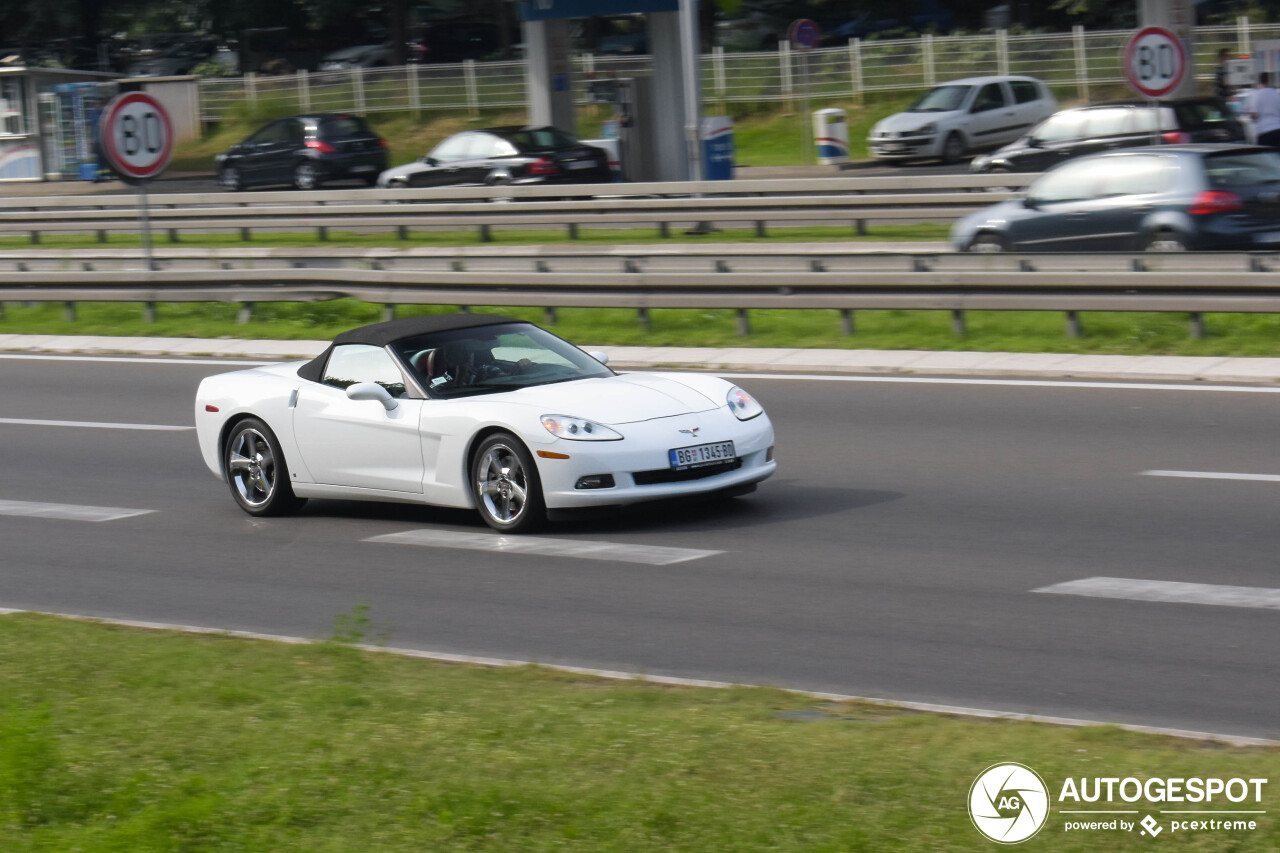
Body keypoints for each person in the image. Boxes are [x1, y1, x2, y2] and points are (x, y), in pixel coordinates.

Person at [1248, 71, 1280, 149]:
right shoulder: (1277, 94)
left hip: (1264, 131)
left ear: (1260, 81)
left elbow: (1253, 114)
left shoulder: (1256, 95)